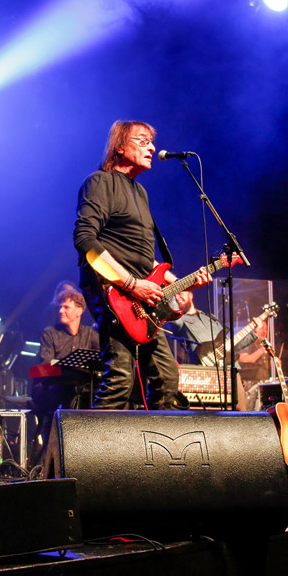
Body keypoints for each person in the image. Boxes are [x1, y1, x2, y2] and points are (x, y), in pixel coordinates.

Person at [74, 120, 211, 410]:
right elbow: (85, 239)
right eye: (142, 140)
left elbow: (143, 255)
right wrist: (131, 284)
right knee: (121, 376)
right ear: (119, 147)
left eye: (152, 141)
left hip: (142, 295)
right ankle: (94, 453)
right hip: (113, 289)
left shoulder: (140, 193)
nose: (152, 147)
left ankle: (155, 450)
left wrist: (179, 282)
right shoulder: (100, 182)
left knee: (167, 377)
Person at [167, 289, 265, 410]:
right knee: (209, 412)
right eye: (175, 295)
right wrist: (171, 295)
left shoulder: (211, 318)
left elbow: (231, 345)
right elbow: (174, 318)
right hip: (206, 373)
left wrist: (255, 335)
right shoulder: (180, 321)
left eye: (180, 292)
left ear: (191, 294)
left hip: (230, 370)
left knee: (239, 411)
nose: (177, 297)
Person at [32, 288, 100, 449]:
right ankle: (56, 452)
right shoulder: (50, 333)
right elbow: (45, 365)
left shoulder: (91, 335)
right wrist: (70, 366)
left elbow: (101, 362)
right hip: (53, 390)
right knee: (66, 394)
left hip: (83, 391)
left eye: (66, 307)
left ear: (79, 311)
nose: (61, 310)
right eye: (61, 307)